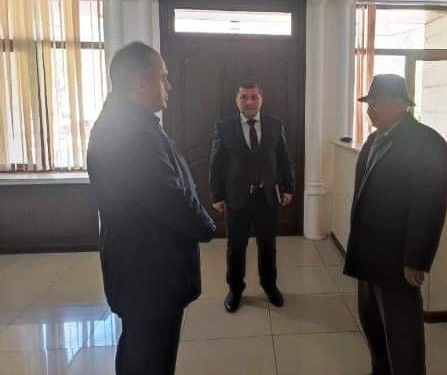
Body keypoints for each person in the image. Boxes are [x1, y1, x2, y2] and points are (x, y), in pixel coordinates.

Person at [87, 42, 216, 375]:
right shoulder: (130, 134)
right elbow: (170, 199)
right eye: (163, 77)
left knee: (139, 351)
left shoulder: (130, 123)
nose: (168, 86)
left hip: (143, 270)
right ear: (142, 83)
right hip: (149, 274)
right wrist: (206, 225)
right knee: (151, 359)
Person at [343, 74, 447, 375]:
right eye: (369, 103)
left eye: (378, 103)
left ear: (402, 105)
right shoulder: (373, 141)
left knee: (403, 337)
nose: (370, 110)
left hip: (398, 259)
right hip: (368, 255)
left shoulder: (427, 143)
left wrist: (416, 259)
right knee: (373, 327)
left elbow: (430, 205)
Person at [209, 81, 295, 313]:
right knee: (235, 247)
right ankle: (235, 289)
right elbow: (216, 164)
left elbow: (284, 158)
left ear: (261, 99)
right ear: (236, 100)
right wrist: (217, 195)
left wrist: (288, 187)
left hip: (267, 197)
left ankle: (269, 285)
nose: (249, 102)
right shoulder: (224, 127)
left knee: (268, 245)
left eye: (254, 97)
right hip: (237, 198)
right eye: (244, 97)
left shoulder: (274, 124)